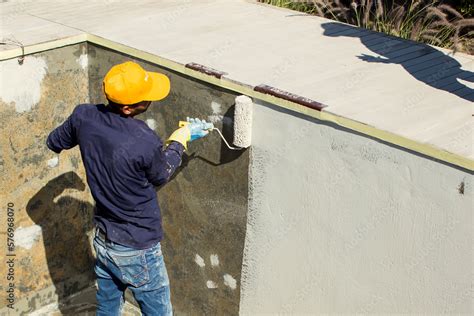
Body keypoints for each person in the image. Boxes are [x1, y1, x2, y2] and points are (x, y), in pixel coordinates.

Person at [46, 61, 209, 315]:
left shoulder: (83, 116)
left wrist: (59, 186)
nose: (151, 100)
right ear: (128, 107)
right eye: (147, 98)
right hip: (138, 248)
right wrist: (180, 140)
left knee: (108, 308)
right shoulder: (143, 140)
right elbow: (161, 174)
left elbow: (54, 141)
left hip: (104, 239)